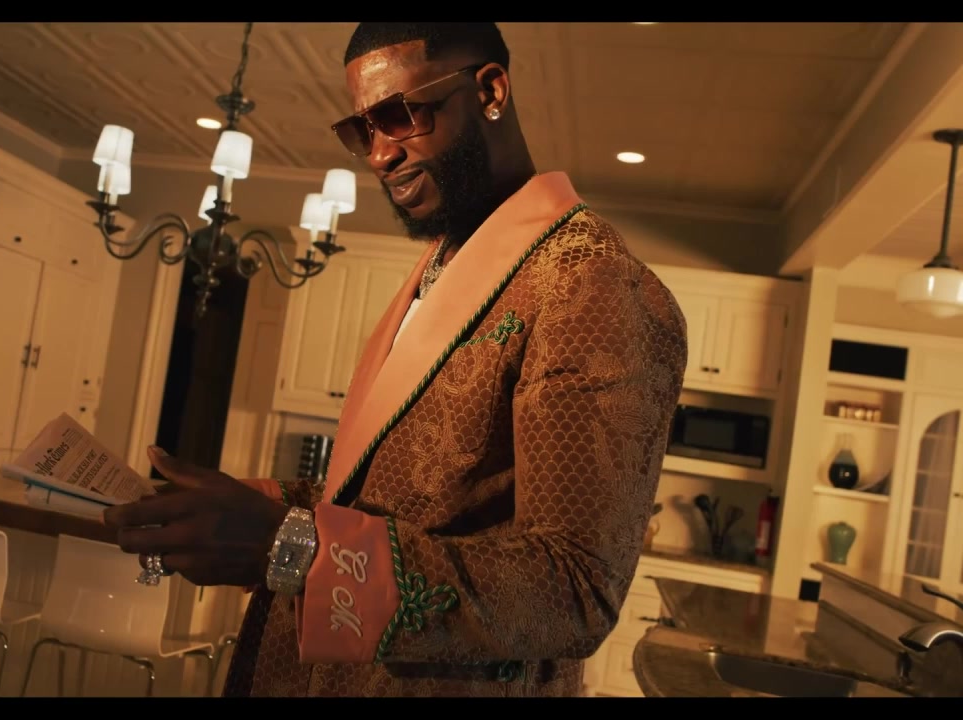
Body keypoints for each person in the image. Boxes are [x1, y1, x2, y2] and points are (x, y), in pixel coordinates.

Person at [102, 21, 688, 697]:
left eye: (400, 116)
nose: (379, 154)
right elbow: (404, 500)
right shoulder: (447, 265)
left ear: (490, 91)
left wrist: (293, 545)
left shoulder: (593, 284)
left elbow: (573, 590)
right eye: (362, 130)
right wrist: (257, 507)